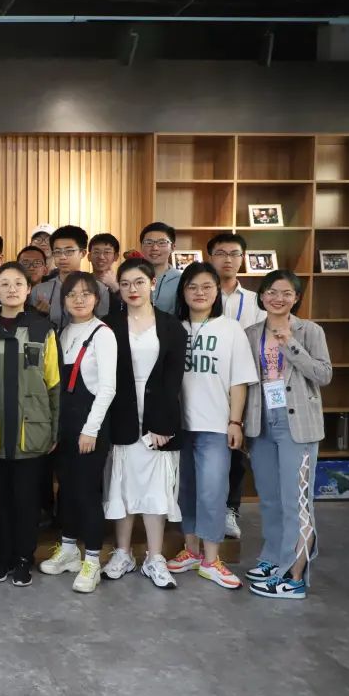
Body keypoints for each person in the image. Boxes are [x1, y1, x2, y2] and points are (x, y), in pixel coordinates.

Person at [166, 263, 258, 589]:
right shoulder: (174, 328)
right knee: (185, 491)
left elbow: (239, 381)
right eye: (192, 287)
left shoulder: (230, 329)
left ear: (217, 291)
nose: (199, 292)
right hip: (179, 425)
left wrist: (235, 421)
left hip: (216, 425)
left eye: (206, 286)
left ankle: (211, 558)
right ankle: (191, 551)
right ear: (183, 293)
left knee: (212, 491)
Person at [244, 271, 332, 600]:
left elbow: (323, 374)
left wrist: (290, 344)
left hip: (298, 424)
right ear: (262, 296)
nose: (278, 298)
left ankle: (294, 576)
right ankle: (273, 557)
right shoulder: (252, 333)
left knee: (296, 502)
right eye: (271, 292)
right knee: (270, 498)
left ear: (296, 298)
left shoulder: (310, 331)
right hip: (262, 421)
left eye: (286, 293)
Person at [101, 259, 186, 589]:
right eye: (125, 284)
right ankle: (123, 553)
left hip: (158, 418)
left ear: (152, 283)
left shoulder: (171, 326)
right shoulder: (108, 325)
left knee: (155, 488)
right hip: (120, 413)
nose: (132, 289)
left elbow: (173, 379)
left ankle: (155, 557)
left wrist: (164, 423)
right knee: (121, 485)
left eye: (139, 282)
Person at [0, 263, 60, 587]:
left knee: (27, 502)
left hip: (32, 430)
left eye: (18, 284)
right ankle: (2, 557)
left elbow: (53, 384)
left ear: (28, 290)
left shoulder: (43, 329)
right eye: (5, 284)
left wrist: (54, 429)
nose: (12, 289)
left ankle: (25, 558)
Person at [38, 272, 117, 594]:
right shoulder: (63, 332)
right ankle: (69, 550)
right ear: (63, 301)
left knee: (87, 494)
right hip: (65, 427)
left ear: (97, 299)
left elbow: (108, 388)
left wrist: (90, 430)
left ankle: (93, 560)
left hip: (90, 428)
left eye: (86, 294)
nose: (79, 300)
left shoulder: (103, 334)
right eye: (72, 294)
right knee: (67, 491)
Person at [207, 233, 267, 541]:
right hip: (207, 382)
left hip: (243, 382)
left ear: (243, 258)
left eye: (234, 253)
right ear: (210, 258)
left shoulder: (256, 300)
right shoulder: (201, 293)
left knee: (235, 448)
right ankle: (204, 510)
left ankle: (230, 509)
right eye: (220, 253)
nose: (227, 259)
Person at [29, 225, 110, 330]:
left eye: (69, 251)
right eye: (57, 252)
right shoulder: (39, 291)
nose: (62, 257)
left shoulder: (98, 289)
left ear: (82, 253)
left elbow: (102, 327)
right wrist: (42, 316)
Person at [139, 222, 182, 315]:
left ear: (173, 247)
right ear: (141, 246)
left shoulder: (181, 279)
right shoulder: (130, 276)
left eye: (162, 243)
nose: (155, 248)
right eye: (149, 243)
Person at [88, 232, 122, 317]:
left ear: (116, 256)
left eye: (107, 252)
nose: (101, 257)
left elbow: (130, 308)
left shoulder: (124, 282)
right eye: (96, 252)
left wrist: (115, 286)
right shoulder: (83, 281)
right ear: (89, 256)